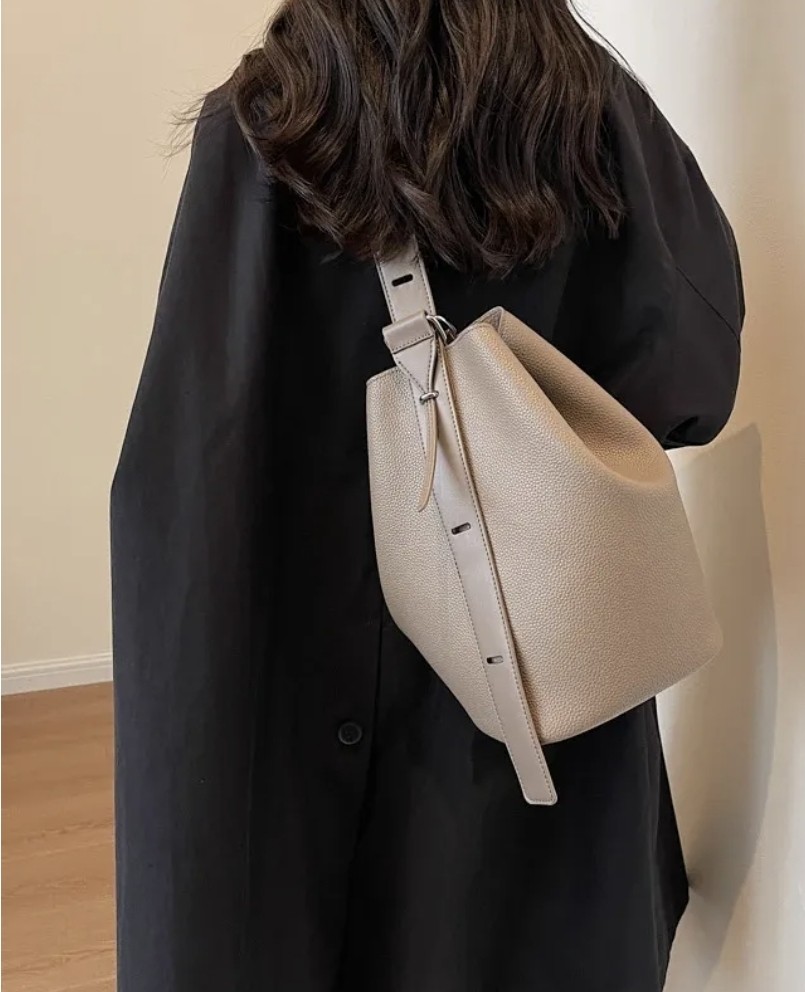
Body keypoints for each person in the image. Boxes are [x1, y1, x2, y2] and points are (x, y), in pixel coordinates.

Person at [109, 1, 744, 989]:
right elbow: (691, 378)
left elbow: (196, 456)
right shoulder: (592, 112)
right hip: (538, 659)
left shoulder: (269, 121)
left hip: (298, 666)